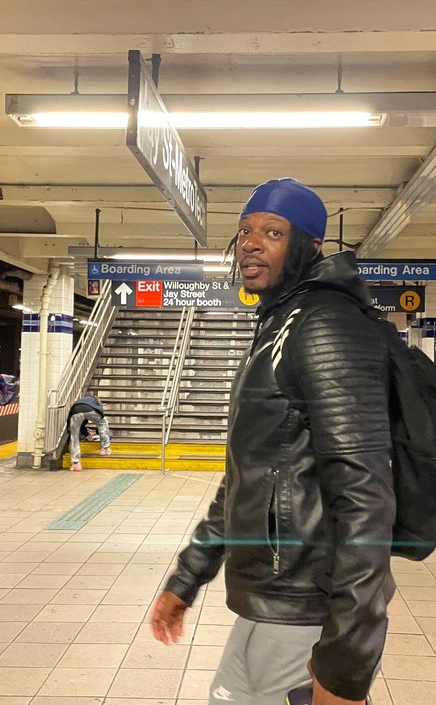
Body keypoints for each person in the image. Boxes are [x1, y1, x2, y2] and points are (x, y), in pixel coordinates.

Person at [150, 178, 393, 705]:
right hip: (273, 596)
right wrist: (188, 577)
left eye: (273, 232)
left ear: (311, 248)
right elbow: (249, 473)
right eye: (244, 231)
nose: (251, 243)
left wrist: (346, 664)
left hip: (305, 601)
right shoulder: (282, 323)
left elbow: (366, 495)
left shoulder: (325, 326)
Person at [67, 394, 112, 470]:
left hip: (75, 412)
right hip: (91, 410)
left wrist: (86, 434)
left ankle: (76, 463)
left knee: (74, 436)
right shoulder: (96, 402)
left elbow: (80, 425)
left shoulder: (80, 401)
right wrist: (98, 433)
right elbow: (101, 417)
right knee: (103, 424)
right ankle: (105, 449)